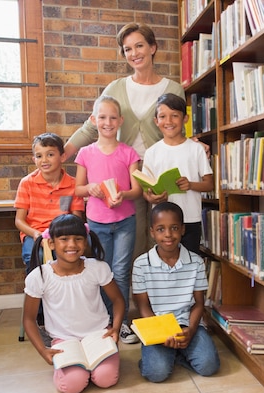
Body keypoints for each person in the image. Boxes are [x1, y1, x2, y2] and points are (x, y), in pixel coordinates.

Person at [63, 22, 192, 262]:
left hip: (160, 168)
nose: (134, 53)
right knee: (134, 238)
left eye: (139, 46)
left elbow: (178, 125)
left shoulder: (173, 88)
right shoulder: (116, 87)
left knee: (164, 232)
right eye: (127, 49)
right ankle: (136, 292)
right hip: (127, 170)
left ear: (152, 47)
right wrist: (65, 151)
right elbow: (92, 125)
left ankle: (161, 290)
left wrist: (195, 143)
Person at [22, 213, 125, 393]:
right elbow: (29, 319)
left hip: (98, 335)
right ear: (52, 243)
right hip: (64, 341)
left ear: (85, 242)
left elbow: (118, 300)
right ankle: (73, 369)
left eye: (78, 239)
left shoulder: (97, 268)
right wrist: (43, 351)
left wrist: (115, 328)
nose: (72, 245)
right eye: (64, 239)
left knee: (106, 379)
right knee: (72, 386)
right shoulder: (40, 276)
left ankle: (100, 361)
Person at [74, 95, 143, 344]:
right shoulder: (85, 153)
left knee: (121, 271)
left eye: (113, 117)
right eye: (102, 117)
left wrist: (122, 194)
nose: (107, 122)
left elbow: (138, 191)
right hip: (96, 222)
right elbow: (78, 189)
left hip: (125, 221)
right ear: (94, 120)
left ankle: (120, 323)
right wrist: (91, 188)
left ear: (120, 121)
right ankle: (103, 321)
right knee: (102, 271)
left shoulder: (129, 153)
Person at [132, 202, 220, 383]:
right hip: (158, 327)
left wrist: (191, 329)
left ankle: (177, 353)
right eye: (160, 229)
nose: (168, 235)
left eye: (174, 228)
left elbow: (198, 303)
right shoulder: (141, 264)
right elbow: (143, 306)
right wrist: (161, 334)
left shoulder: (195, 262)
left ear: (182, 230)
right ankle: (169, 354)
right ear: (152, 232)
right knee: (156, 373)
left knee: (209, 366)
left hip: (188, 324)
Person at [142, 93, 214, 255]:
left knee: (189, 263)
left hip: (190, 219)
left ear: (185, 119)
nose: (168, 121)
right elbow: (146, 190)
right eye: (162, 116)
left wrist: (190, 185)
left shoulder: (196, 149)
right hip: (162, 221)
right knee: (165, 264)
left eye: (174, 116)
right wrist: (152, 198)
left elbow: (209, 184)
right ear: (156, 121)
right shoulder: (152, 152)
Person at [14, 132, 85, 269]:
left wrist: (64, 237)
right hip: (35, 233)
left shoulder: (73, 184)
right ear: (34, 159)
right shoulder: (26, 183)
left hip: (64, 233)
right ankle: (36, 290)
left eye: (50, 154)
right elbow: (19, 221)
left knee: (82, 251)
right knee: (35, 256)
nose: (44, 160)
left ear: (62, 156)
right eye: (39, 156)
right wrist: (36, 234)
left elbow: (77, 219)